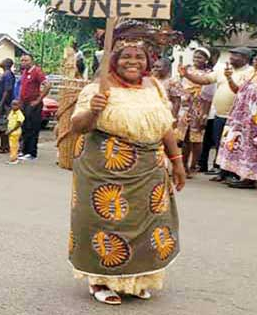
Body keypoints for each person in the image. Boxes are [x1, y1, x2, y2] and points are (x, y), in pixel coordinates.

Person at [68, 20, 186, 305]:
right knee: (105, 226)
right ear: (114, 61)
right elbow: (77, 126)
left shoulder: (154, 88)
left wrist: (177, 161)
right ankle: (100, 281)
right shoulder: (98, 88)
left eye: (139, 57)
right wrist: (93, 111)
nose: (132, 62)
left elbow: (165, 126)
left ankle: (137, 279)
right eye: (125, 57)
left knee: (147, 226)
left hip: (149, 173)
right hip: (105, 174)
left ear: (147, 61)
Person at [180, 47, 256, 183]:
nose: (231, 58)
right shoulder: (222, 69)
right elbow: (204, 80)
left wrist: (229, 78)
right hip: (220, 114)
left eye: (235, 55)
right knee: (221, 144)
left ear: (245, 58)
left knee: (235, 145)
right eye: (231, 55)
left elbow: (240, 90)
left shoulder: (251, 72)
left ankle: (233, 174)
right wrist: (187, 74)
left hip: (238, 116)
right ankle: (223, 172)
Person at [217, 51, 257, 191]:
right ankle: (248, 178)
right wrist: (229, 78)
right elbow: (238, 90)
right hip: (244, 121)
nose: (255, 60)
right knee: (247, 150)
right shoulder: (251, 75)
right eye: (255, 58)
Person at [173, 48, 214, 176]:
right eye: (195, 57)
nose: (197, 59)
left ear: (206, 60)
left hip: (199, 107)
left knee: (196, 139)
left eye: (200, 57)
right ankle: (183, 165)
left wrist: (205, 114)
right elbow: (178, 87)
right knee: (184, 138)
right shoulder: (187, 70)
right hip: (185, 106)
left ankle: (193, 165)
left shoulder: (209, 73)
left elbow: (208, 96)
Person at [17, 53, 49, 162]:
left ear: (31, 61)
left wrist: (38, 100)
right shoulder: (25, 72)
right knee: (25, 127)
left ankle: (32, 152)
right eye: (22, 60)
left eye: (26, 60)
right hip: (24, 104)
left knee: (32, 128)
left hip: (33, 104)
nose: (23, 62)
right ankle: (24, 151)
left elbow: (48, 85)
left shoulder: (37, 71)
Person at [0, 58, 16, 154]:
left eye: (3, 61)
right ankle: (4, 145)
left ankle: (4, 146)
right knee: (2, 125)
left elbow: (7, 90)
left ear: (7, 64)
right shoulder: (5, 74)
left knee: (3, 125)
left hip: (5, 104)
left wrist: (1, 103)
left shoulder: (8, 75)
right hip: (1, 102)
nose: (0, 62)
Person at [5, 100, 25, 165]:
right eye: (13, 104)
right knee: (12, 145)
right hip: (10, 131)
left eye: (15, 104)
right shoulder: (12, 112)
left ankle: (14, 159)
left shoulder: (19, 113)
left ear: (19, 106)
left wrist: (11, 130)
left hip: (15, 131)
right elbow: (8, 120)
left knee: (14, 146)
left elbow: (19, 124)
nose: (13, 106)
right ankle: (13, 158)